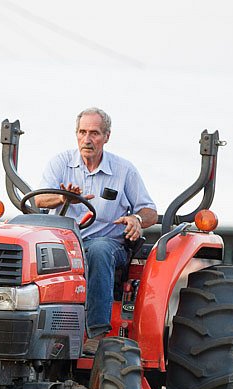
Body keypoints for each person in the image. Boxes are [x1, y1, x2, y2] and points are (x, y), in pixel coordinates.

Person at [35, 107, 157, 351]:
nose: (87, 139)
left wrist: (135, 218)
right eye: (82, 132)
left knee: (99, 249)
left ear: (107, 136)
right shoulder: (61, 163)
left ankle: (97, 333)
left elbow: (150, 212)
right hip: (66, 243)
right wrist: (64, 197)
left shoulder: (124, 170)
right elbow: (40, 200)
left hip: (108, 245)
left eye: (94, 133)